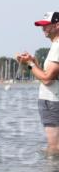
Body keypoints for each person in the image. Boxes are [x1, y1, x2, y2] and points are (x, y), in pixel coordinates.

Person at [17, 11, 59, 154]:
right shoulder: (55, 45)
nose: (43, 29)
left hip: (53, 101)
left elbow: (47, 79)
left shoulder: (58, 46)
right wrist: (33, 62)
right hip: (53, 100)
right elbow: (47, 76)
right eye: (42, 26)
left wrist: (30, 64)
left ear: (57, 25)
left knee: (54, 147)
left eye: (46, 25)